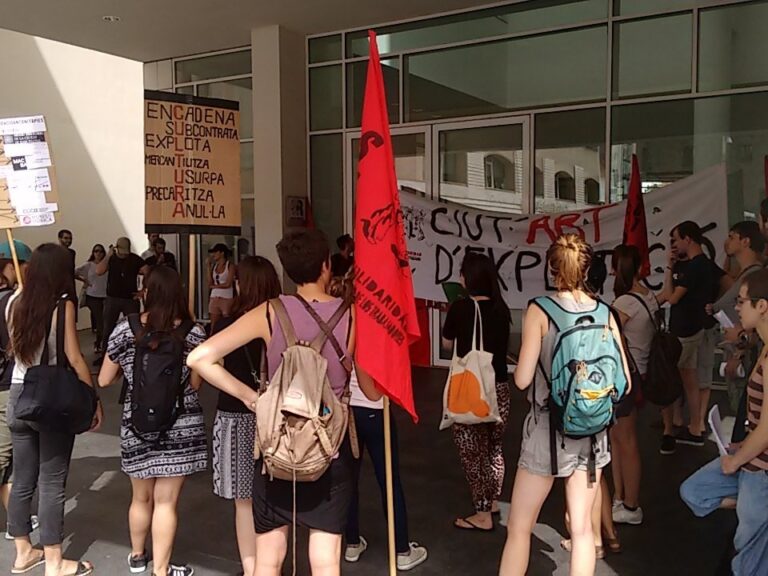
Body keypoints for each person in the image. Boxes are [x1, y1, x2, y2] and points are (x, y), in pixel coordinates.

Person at [188, 228, 381, 576]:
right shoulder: (353, 318)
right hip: (329, 452)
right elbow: (372, 391)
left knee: (268, 560)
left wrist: (253, 398)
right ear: (326, 266)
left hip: (276, 448)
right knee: (324, 562)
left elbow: (199, 358)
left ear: (289, 272)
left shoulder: (270, 312)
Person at [499, 234, 631, 576]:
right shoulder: (605, 311)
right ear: (587, 269)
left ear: (551, 268)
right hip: (592, 432)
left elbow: (523, 379)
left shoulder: (540, 310)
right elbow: (625, 381)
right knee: (584, 530)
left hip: (547, 428)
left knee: (518, 528)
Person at [98, 265, 207, 576]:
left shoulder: (125, 329)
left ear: (145, 291)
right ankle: (161, 570)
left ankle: (136, 556)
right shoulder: (193, 333)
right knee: (166, 502)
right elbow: (197, 384)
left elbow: (105, 379)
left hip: (137, 424)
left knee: (140, 497)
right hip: (180, 424)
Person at [6, 243, 103, 576]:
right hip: (51, 396)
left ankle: (22, 553)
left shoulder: (14, 301)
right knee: (51, 481)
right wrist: (93, 398)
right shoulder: (63, 306)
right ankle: (55, 561)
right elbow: (74, 357)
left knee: (22, 478)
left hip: (18, 393)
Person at [330, 274, 428, 571]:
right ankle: (400, 548)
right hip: (370, 411)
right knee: (389, 480)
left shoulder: (332, 322)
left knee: (348, 480)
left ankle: (350, 543)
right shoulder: (364, 324)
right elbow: (370, 387)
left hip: (343, 414)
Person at [679, 269, 768, 576]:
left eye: (742, 301)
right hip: (754, 464)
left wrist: (736, 460)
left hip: (761, 470)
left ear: (762, 307)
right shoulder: (762, 346)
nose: (737, 308)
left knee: (749, 562)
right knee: (695, 491)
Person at [211, 256, 281, 576]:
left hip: (236, 416)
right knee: (275, 498)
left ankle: (252, 569)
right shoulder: (283, 324)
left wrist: (248, 396)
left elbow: (211, 366)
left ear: (242, 284)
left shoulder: (228, 326)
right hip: (278, 420)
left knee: (243, 501)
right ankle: (272, 567)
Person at [441, 252, 511, 532]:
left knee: (473, 452)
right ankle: (492, 501)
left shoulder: (460, 309)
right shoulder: (501, 309)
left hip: (472, 390)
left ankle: (482, 514)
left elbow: (447, 346)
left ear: (468, 279)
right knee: (494, 449)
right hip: (500, 390)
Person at [658, 221, 721, 453]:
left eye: (676, 239)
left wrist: (668, 268)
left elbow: (672, 297)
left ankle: (690, 427)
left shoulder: (695, 267)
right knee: (691, 381)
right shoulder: (702, 265)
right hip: (692, 328)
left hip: (686, 330)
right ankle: (693, 425)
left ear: (688, 239)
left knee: (681, 380)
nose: (674, 244)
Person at [609, 244, 659, 526]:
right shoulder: (647, 296)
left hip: (626, 376)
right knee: (618, 440)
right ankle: (621, 497)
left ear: (615, 270)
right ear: (639, 267)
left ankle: (630, 505)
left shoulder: (624, 304)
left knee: (625, 442)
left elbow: (611, 337)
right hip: (638, 373)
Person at [96, 237, 149, 361]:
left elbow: (148, 272)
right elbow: (99, 271)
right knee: (107, 328)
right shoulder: (111, 259)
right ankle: (105, 356)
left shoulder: (135, 259)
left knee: (134, 328)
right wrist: (108, 254)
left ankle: (136, 355)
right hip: (112, 298)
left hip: (129, 299)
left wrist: (142, 290)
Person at [76, 244, 109, 354]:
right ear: (93, 253)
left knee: (105, 321)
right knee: (100, 321)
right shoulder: (88, 265)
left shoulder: (107, 265)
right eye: (96, 251)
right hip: (93, 297)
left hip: (105, 296)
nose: (98, 253)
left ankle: (100, 342)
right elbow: (74, 272)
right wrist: (84, 280)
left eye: (100, 251)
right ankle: (100, 343)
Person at [208, 243, 235, 330]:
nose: (213, 255)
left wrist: (215, 286)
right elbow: (209, 283)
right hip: (214, 297)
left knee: (227, 323)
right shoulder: (214, 266)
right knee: (213, 324)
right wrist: (208, 268)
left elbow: (228, 283)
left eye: (216, 252)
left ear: (222, 253)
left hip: (226, 298)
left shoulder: (230, 266)